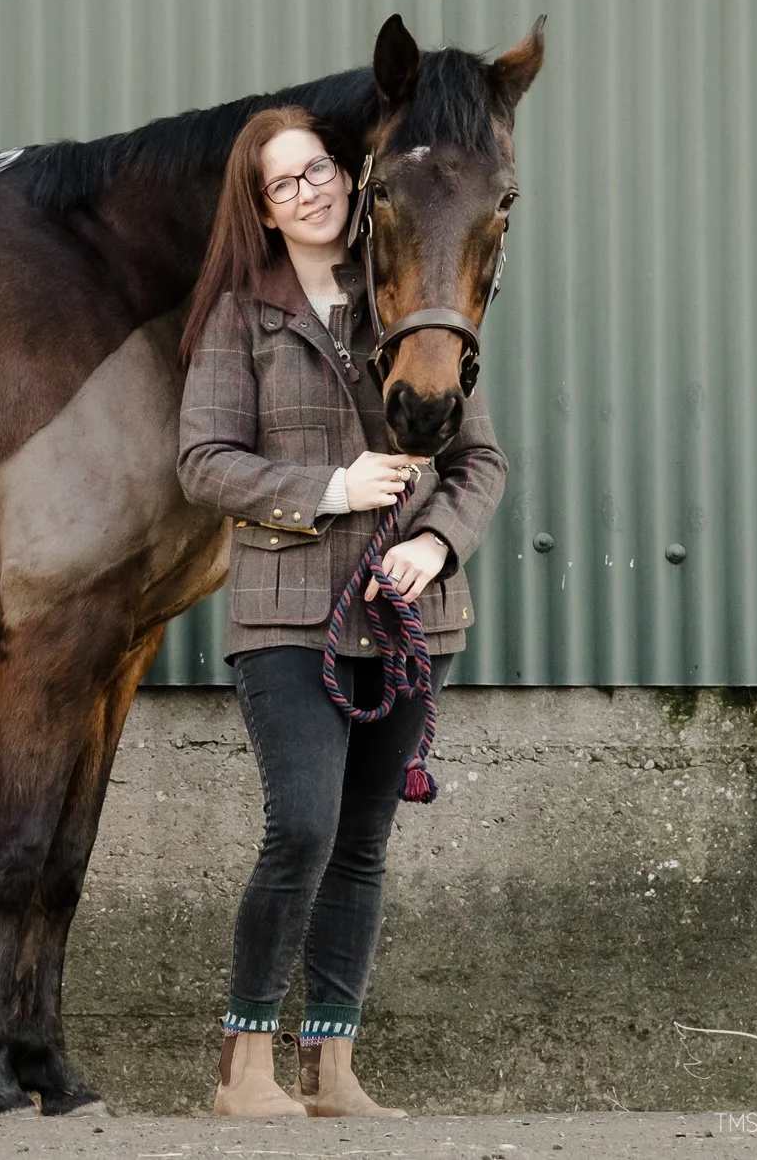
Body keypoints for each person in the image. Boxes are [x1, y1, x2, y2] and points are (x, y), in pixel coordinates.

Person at [177, 105, 506, 1118]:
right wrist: (331, 487)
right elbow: (202, 463)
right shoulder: (240, 316)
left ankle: (330, 1069)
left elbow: (478, 460)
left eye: (317, 169)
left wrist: (428, 541)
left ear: (348, 177)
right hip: (285, 615)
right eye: (284, 184)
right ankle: (242, 1071)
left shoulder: (407, 297)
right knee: (303, 828)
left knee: (361, 842)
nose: (309, 190)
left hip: (409, 615)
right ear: (263, 212)